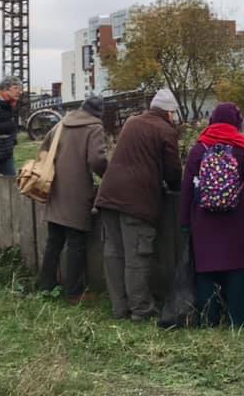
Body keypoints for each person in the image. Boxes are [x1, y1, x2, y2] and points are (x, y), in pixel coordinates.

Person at [94, 88, 182, 321]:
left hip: (109, 195)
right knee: (137, 256)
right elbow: (173, 172)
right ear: (170, 113)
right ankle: (141, 310)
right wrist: (175, 187)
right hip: (136, 200)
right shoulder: (165, 130)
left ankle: (119, 308)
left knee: (113, 254)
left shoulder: (132, 122)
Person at [178, 103, 244, 327]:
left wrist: (185, 221)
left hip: (204, 221)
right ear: (236, 122)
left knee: (206, 270)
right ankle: (236, 319)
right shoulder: (243, 147)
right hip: (238, 219)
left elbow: (187, 187)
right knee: (237, 268)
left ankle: (209, 318)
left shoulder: (199, 148)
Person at [36, 95, 109, 304]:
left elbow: (43, 150)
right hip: (77, 191)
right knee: (76, 243)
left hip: (55, 188)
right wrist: (108, 175)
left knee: (54, 242)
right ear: (98, 113)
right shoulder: (94, 127)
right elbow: (97, 160)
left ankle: (46, 285)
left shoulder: (61, 123)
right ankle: (74, 293)